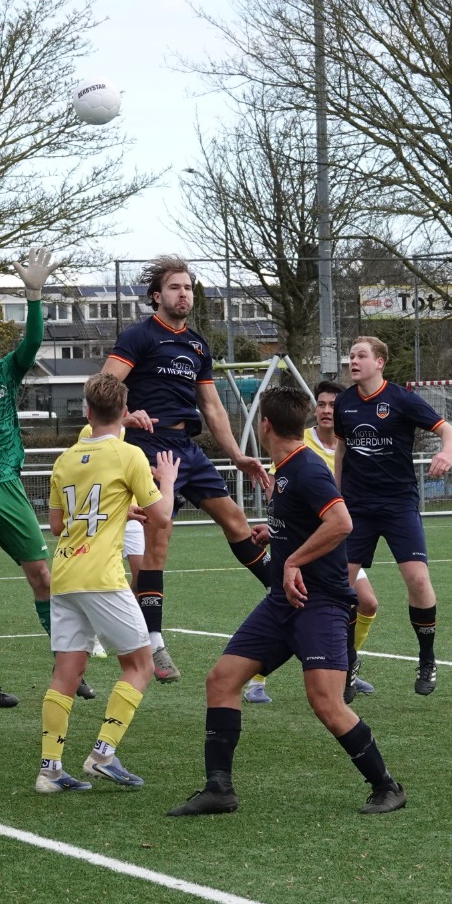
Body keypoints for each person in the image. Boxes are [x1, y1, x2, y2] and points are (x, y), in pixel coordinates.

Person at [167, 387, 406, 817]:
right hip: (282, 603)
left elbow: (341, 522)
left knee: (327, 704)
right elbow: (304, 522)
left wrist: (292, 559)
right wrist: (273, 534)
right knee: (221, 680)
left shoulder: (307, 469)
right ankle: (218, 789)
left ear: (265, 425)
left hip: (322, 605)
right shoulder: (284, 468)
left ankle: (387, 786)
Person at [102, 256, 271, 684]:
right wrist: (123, 417)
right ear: (157, 296)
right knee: (160, 535)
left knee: (235, 519)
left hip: (188, 449)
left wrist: (236, 454)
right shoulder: (139, 336)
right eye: (175, 287)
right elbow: (104, 387)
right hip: (149, 448)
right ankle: (154, 639)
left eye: (189, 288)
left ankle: (277, 589)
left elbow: (211, 406)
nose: (184, 294)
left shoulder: (197, 345)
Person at [36, 373, 178, 793]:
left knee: (66, 672)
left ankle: (49, 770)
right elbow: (163, 517)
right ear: (124, 411)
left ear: (86, 411)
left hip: (64, 575)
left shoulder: (64, 459)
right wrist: (166, 482)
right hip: (101, 577)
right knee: (140, 664)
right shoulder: (129, 455)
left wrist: (119, 511)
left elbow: (59, 524)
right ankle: (102, 754)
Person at [0, 247, 70, 721]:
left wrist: (35, 296)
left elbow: (30, 345)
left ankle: (66, 664)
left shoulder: (6, 371)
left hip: (7, 483)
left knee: (43, 575)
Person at [334, 336, 452, 695]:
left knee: (418, 580)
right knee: (340, 587)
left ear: (379, 362)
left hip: (398, 504)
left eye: (361, 356)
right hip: (356, 507)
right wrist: (336, 498)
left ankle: (427, 658)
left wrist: (447, 453)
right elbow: (342, 451)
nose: (353, 362)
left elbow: (447, 431)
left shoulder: (400, 399)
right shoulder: (344, 403)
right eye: (351, 356)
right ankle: (347, 661)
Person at [244, 379, 380, 703]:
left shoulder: (352, 445)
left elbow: (345, 505)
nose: (326, 411)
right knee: (307, 605)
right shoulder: (298, 442)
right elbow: (280, 490)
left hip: (335, 540)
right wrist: (279, 527)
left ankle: (347, 666)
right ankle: (257, 679)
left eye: (333, 405)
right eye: (321, 404)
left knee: (366, 603)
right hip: (313, 543)